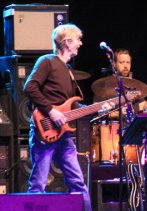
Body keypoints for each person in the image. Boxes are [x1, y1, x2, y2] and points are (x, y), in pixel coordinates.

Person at [23, 23, 99, 211]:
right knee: (39, 184)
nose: (80, 44)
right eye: (78, 40)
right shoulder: (47, 61)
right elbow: (29, 87)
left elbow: (71, 104)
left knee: (78, 183)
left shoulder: (69, 70)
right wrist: (51, 110)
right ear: (67, 42)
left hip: (63, 134)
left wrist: (97, 108)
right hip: (45, 132)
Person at [110, 48, 147, 113]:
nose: (126, 66)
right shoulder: (105, 84)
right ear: (114, 64)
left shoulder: (133, 85)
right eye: (122, 62)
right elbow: (96, 112)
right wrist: (117, 114)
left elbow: (145, 108)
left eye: (128, 62)